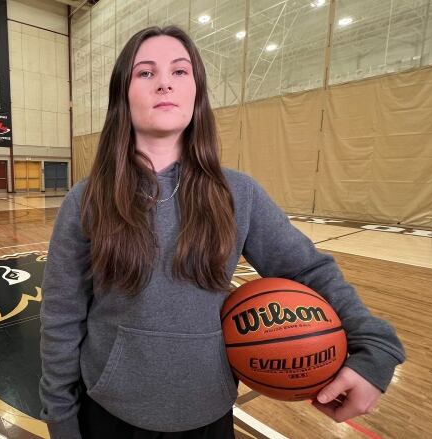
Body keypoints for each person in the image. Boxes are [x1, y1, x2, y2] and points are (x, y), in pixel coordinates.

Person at [39, 25, 405, 439]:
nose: (164, 83)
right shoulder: (87, 199)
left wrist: (375, 344)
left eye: (180, 72)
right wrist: (60, 415)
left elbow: (309, 272)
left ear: (197, 93)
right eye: (145, 73)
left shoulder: (238, 193)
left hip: (207, 412)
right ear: (123, 94)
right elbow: (62, 317)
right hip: (108, 412)